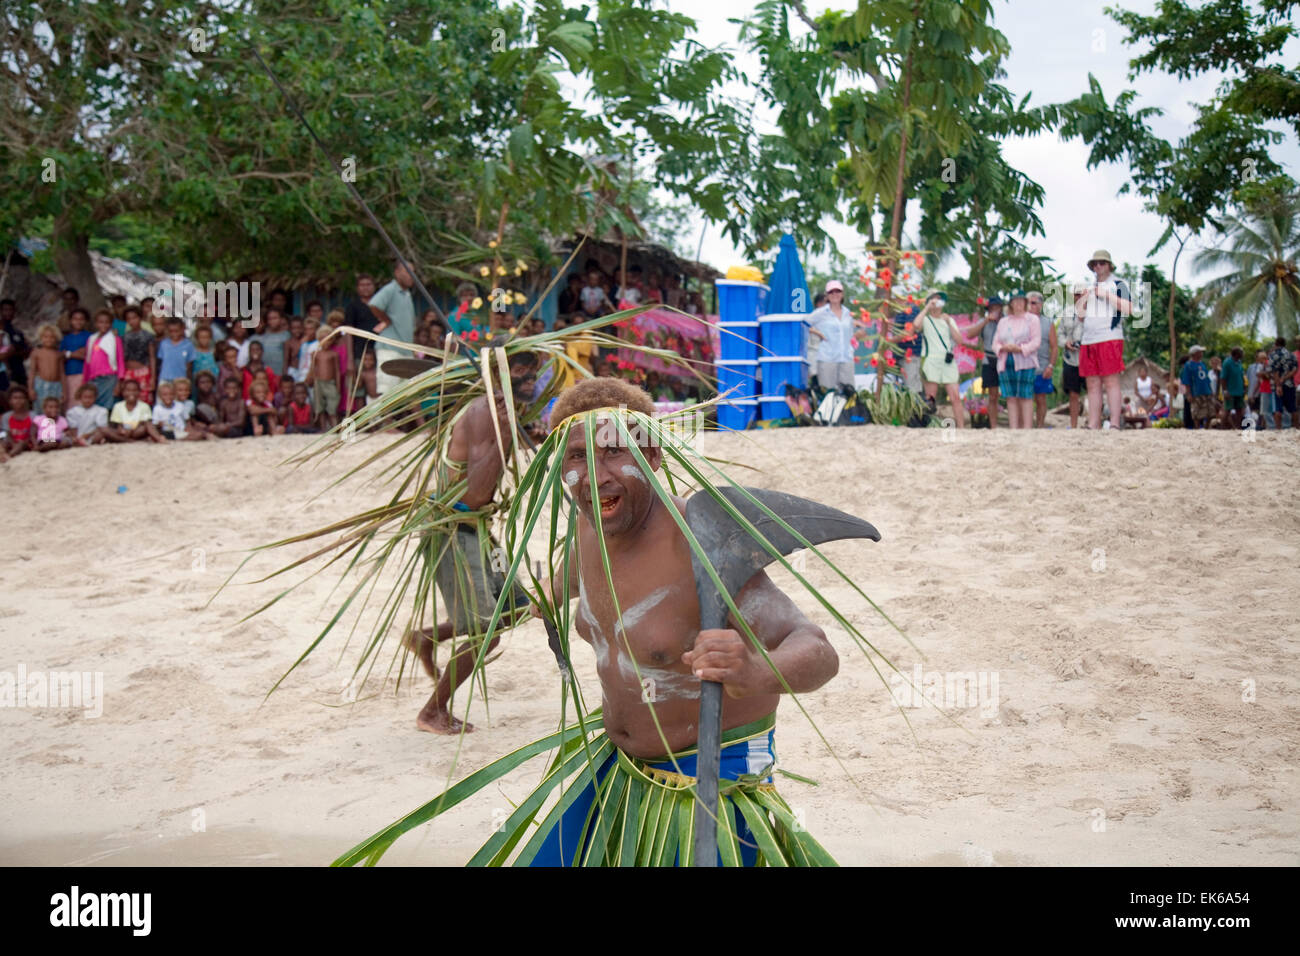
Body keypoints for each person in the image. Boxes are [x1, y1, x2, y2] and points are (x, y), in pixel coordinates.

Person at [516, 378, 838, 866]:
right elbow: (570, 581)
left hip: (707, 783)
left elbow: (817, 648)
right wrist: (541, 597)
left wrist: (756, 671)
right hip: (619, 770)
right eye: (577, 457)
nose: (595, 476)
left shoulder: (704, 543)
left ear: (654, 456)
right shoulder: (588, 527)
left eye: (614, 452)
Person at [402, 350, 539, 734]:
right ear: (497, 374)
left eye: (534, 370)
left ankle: (426, 637)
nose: (530, 377)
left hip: (478, 529)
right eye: (522, 370)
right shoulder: (485, 413)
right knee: (485, 634)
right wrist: (506, 432)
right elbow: (478, 489)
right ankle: (432, 711)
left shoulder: (504, 412)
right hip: (452, 530)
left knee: (514, 608)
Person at [1077, 250, 1131, 430]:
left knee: (1111, 381)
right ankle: (1093, 423)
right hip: (1088, 339)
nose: (1098, 266)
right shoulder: (1089, 287)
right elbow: (1080, 317)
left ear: (1109, 265)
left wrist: (1106, 295)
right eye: (1095, 264)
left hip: (1109, 337)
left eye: (1102, 263)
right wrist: (1082, 301)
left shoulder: (1118, 284)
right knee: (1092, 383)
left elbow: (1129, 308)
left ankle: (1114, 423)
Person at [918, 290, 977, 427]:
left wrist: (949, 323)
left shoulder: (949, 319)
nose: (937, 302)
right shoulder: (926, 319)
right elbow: (916, 325)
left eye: (939, 299)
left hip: (947, 360)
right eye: (934, 299)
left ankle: (961, 427)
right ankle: (928, 425)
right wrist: (927, 308)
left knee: (955, 396)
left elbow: (959, 340)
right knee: (930, 397)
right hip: (931, 358)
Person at [992, 290, 1041, 429]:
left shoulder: (1032, 319)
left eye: (1021, 300)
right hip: (1006, 361)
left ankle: (1027, 428)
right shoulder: (1003, 321)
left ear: (1025, 303)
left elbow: (1036, 341)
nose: (1018, 303)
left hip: (1026, 361)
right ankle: (1013, 429)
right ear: (1011, 303)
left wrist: (1020, 349)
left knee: (1026, 396)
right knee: (1010, 397)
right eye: (1015, 301)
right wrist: (1002, 348)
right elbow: (995, 342)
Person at [369, 261, 417, 398]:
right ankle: (384, 420)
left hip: (405, 348)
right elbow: (374, 305)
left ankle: (416, 420)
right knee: (387, 391)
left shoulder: (406, 293)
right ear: (397, 273)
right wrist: (385, 319)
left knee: (410, 391)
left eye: (413, 272)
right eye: (407, 271)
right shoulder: (391, 289)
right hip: (390, 347)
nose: (411, 275)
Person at [807, 280, 861, 396]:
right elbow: (803, 325)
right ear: (827, 296)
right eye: (831, 292)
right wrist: (818, 333)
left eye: (838, 291)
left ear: (842, 294)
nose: (835, 294)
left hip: (846, 359)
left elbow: (852, 333)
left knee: (849, 396)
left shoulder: (848, 313)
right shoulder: (820, 313)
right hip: (827, 359)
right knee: (828, 396)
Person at [964, 296, 1004, 428]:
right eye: (992, 308)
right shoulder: (984, 321)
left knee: (1009, 394)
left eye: (997, 307)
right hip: (989, 358)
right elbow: (970, 334)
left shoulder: (1007, 321)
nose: (995, 310)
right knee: (992, 395)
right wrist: (986, 321)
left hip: (1004, 358)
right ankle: (993, 426)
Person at [1027, 291, 1057, 427]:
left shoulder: (1048, 323)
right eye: (1028, 303)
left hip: (1042, 367)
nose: (1030, 306)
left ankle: (1039, 426)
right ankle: (1025, 426)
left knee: (1041, 399)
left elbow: (1054, 347)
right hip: (1024, 367)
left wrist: (1051, 366)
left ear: (1041, 305)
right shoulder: (1020, 321)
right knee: (1024, 399)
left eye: (1033, 303)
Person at [83, 310, 124, 410]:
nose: (104, 325)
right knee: (95, 407)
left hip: (109, 379)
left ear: (111, 324)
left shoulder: (115, 339)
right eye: (101, 322)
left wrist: (119, 382)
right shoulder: (91, 339)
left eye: (107, 322)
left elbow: (120, 361)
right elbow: (87, 362)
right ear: (96, 323)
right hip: (94, 379)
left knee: (109, 407)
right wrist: (85, 381)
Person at [306, 323, 341, 431]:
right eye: (323, 339)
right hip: (318, 383)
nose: (326, 341)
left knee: (332, 407)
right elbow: (312, 368)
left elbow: (337, 371)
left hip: (331, 383)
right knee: (319, 407)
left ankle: (335, 428)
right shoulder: (315, 353)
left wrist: (338, 385)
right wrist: (310, 378)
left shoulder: (333, 354)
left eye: (329, 339)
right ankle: (323, 429)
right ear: (319, 340)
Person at [107, 378, 164, 442]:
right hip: (123, 433)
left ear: (139, 392)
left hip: (137, 431)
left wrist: (131, 431)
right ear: (123, 392)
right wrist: (122, 430)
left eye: (135, 390)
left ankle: (159, 439)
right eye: (128, 390)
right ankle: (131, 440)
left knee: (148, 425)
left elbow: (144, 423)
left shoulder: (144, 406)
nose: (131, 393)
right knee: (104, 429)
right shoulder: (118, 406)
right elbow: (118, 425)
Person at [121, 306, 157, 404]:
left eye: (134, 318)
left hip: (143, 373)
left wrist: (153, 377)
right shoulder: (124, 337)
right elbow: (122, 358)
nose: (132, 321)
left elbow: (152, 357)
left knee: (144, 400)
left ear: (140, 318)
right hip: (128, 373)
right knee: (129, 400)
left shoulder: (148, 335)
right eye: (129, 319)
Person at [344, 273, 378, 366]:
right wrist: (350, 359)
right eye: (362, 285)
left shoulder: (381, 305)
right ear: (357, 288)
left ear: (374, 286)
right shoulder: (352, 307)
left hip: (379, 352)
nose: (365, 287)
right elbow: (348, 333)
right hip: (359, 354)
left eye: (368, 284)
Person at [27, 324, 64, 411]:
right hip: (41, 384)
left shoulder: (58, 354)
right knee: (41, 408)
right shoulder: (36, 352)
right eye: (46, 337)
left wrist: (64, 391)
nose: (49, 339)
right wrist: (30, 389)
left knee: (55, 409)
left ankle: (54, 424)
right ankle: (40, 424)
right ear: (41, 338)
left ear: (56, 338)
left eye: (52, 337)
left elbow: (62, 373)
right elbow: (32, 372)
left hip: (56, 385)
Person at [59, 307, 91, 405]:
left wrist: (69, 353)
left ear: (85, 321)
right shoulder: (66, 339)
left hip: (85, 374)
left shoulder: (90, 336)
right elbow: (61, 357)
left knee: (83, 402)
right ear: (70, 321)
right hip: (68, 375)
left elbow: (87, 355)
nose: (78, 322)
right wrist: (78, 353)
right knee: (70, 403)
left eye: (81, 319)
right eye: (75, 319)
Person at [1180, 345, 1215, 429]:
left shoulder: (1202, 364)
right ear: (1195, 353)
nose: (1202, 354)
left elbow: (1206, 379)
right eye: (1200, 352)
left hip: (1206, 391)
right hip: (1196, 392)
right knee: (1196, 413)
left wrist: (1211, 390)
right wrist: (1188, 394)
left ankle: (1207, 427)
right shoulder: (1188, 366)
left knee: (1210, 412)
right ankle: (1197, 428)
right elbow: (1187, 381)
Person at [1266, 336, 1297, 429]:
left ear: (1276, 344)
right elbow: (1294, 370)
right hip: (1290, 384)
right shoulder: (1291, 355)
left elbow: (1274, 371)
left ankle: (1278, 430)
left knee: (1278, 409)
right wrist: (1284, 378)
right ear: (1285, 344)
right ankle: (1297, 429)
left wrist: (1278, 384)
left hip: (1277, 386)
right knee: (1293, 409)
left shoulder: (1273, 355)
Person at [156, 318, 196, 386]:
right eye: (171, 331)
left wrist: (188, 381)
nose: (174, 333)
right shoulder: (164, 344)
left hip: (181, 380)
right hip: (165, 379)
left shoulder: (188, 345)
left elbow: (189, 366)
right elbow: (161, 363)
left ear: (182, 329)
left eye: (176, 331)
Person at [253, 308, 291, 377]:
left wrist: (284, 373)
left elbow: (286, 357)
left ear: (281, 319)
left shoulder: (286, 335)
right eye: (270, 319)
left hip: (279, 373)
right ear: (267, 321)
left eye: (275, 318)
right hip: (263, 374)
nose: (273, 321)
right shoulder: (261, 335)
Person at [1, 386, 35, 456]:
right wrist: (13, 444)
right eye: (15, 398)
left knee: (20, 444)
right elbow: (6, 433)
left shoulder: (33, 415)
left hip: (27, 443)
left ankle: (9, 456)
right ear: (10, 401)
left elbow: (33, 435)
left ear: (26, 400)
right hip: (11, 442)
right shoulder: (6, 416)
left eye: (21, 398)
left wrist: (22, 443)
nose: (18, 400)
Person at [1220, 348, 1247, 428]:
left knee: (1240, 410)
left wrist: (1244, 387)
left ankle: (1238, 427)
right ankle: (1222, 428)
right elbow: (1223, 378)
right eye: (1241, 353)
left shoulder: (1239, 363)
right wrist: (1225, 390)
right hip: (1230, 391)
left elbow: (1241, 376)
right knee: (1227, 410)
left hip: (1239, 391)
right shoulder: (1227, 363)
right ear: (1236, 354)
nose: (1243, 355)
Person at [1247, 349, 1269, 429]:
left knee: (1261, 411)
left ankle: (1261, 426)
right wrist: (1250, 393)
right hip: (1252, 392)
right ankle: (1256, 426)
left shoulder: (1264, 366)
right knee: (1253, 410)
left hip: (1260, 392)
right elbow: (1248, 380)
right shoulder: (1251, 367)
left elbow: (1260, 382)